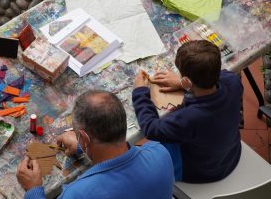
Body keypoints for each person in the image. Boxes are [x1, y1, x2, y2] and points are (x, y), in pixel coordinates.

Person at [17, 90, 174, 198]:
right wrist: (83, 146)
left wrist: (33, 189)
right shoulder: (160, 152)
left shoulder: (77, 194)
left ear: (85, 138)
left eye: (77, 133)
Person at [132, 40, 243, 183]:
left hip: (201, 172)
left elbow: (150, 129)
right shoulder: (233, 82)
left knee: (147, 154)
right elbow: (221, 76)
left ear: (186, 82)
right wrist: (181, 83)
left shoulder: (189, 118)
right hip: (230, 155)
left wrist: (140, 92)